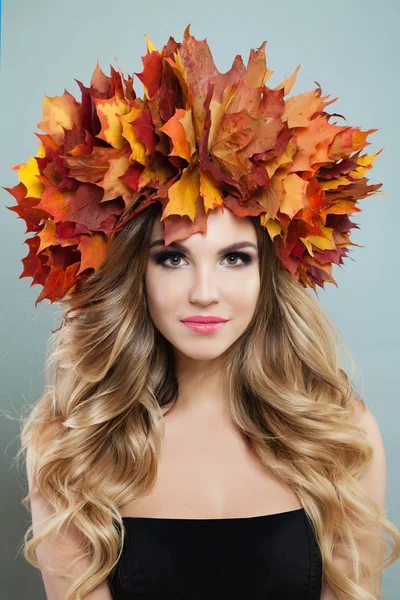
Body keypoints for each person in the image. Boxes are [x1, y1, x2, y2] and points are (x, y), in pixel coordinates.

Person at [7, 24, 399, 600]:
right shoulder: (74, 447)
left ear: (271, 275)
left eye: (235, 257)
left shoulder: (340, 437)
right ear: (132, 274)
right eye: (172, 259)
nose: (205, 292)